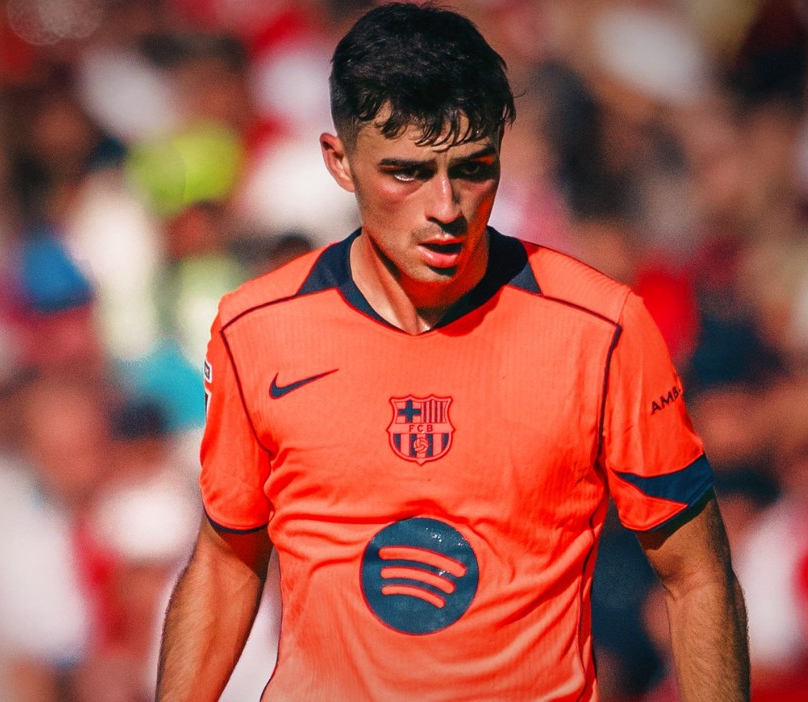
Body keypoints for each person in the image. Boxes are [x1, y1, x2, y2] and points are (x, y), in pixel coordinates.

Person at [155, 4, 749, 700]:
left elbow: (697, 574)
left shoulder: (603, 329)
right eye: (407, 173)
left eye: (472, 169)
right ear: (339, 162)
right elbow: (227, 560)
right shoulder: (254, 330)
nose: (446, 207)